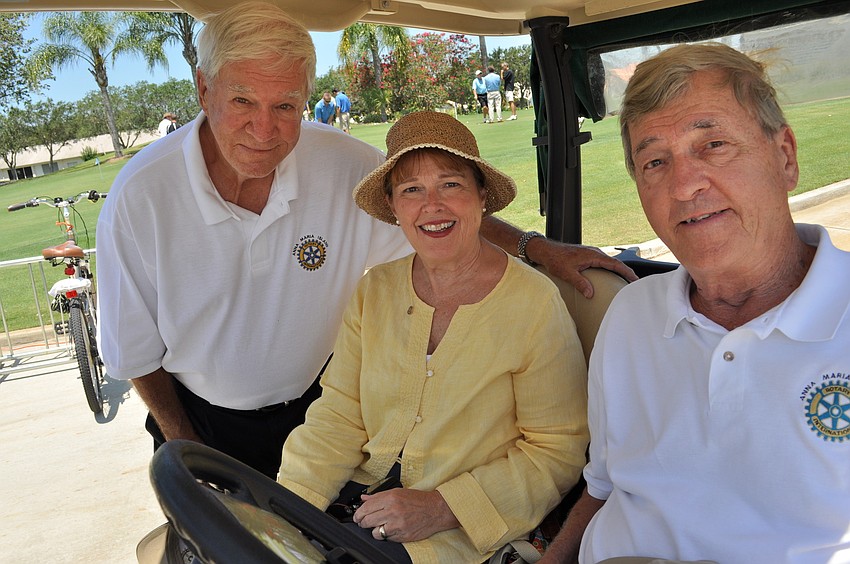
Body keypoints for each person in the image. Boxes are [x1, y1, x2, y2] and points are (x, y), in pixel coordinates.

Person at [97, 2, 633, 481]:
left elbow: (434, 213)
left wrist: (538, 249)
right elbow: (135, 348)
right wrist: (181, 437)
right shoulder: (140, 196)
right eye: (242, 100)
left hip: (322, 410)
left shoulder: (341, 162)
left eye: (285, 106)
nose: (264, 130)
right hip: (202, 422)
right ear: (203, 88)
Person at [540, 42, 850, 564]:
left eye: (714, 145)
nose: (684, 186)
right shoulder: (632, 314)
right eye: (655, 161)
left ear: (785, 156)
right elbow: (606, 488)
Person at [279, 111, 589, 563]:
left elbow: (556, 451)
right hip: (358, 499)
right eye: (411, 190)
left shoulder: (533, 303)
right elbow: (340, 412)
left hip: (458, 534)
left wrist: (445, 508)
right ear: (394, 208)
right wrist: (289, 504)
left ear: (481, 196)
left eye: (451, 184)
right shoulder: (375, 290)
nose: (433, 205)